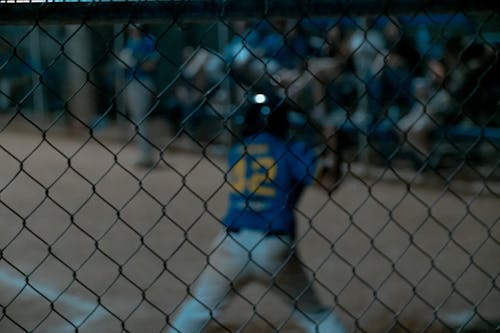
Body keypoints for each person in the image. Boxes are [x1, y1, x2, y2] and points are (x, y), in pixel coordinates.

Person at [168, 94, 348, 333]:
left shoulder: (237, 151)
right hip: (274, 247)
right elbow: (328, 184)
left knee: (199, 309)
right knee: (315, 315)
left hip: (230, 245)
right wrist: (334, 148)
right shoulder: (291, 151)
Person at [119, 24, 160, 168]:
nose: (131, 30)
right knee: (137, 118)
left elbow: (152, 64)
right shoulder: (131, 41)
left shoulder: (148, 40)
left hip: (143, 81)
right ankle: (143, 153)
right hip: (131, 81)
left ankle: (146, 156)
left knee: (141, 118)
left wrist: (136, 62)